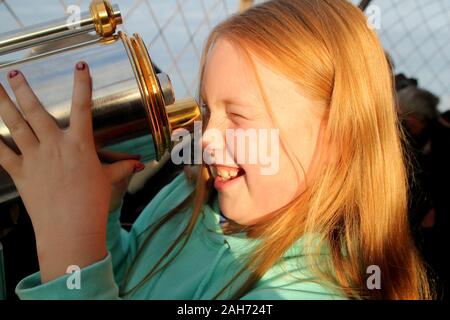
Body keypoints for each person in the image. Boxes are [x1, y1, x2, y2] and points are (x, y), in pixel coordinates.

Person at [0, 0, 432, 299]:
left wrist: (69, 245)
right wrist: (100, 211)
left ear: (340, 138)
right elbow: (127, 271)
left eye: (239, 118)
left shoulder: (307, 291)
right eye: (208, 109)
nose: (205, 139)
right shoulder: (195, 199)